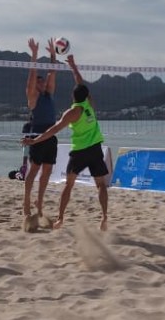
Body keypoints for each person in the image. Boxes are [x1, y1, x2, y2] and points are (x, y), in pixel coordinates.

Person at [23, 54, 109, 230]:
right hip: (95, 149)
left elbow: (53, 130)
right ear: (86, 96)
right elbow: (80, 83)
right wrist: (73, 66)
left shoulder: (70, 113)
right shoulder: (89, 105)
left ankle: (60, 219)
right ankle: (104, 217)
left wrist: (35, 140)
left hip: (78, 151)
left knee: (68, 185)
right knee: (101, 185)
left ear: (73, 96)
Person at [22, 37, 59, 218]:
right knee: (34, 170)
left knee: (47, 171)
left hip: (51, 135)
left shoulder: (48, 94)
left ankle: (40, 203)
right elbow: (30, 79)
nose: (42, 82)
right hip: (38, 135)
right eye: (39, 81)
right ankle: (26, 202)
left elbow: (53, 73)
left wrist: (53, 55)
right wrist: (35, 55)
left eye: (42, 81)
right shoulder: (33, 97)